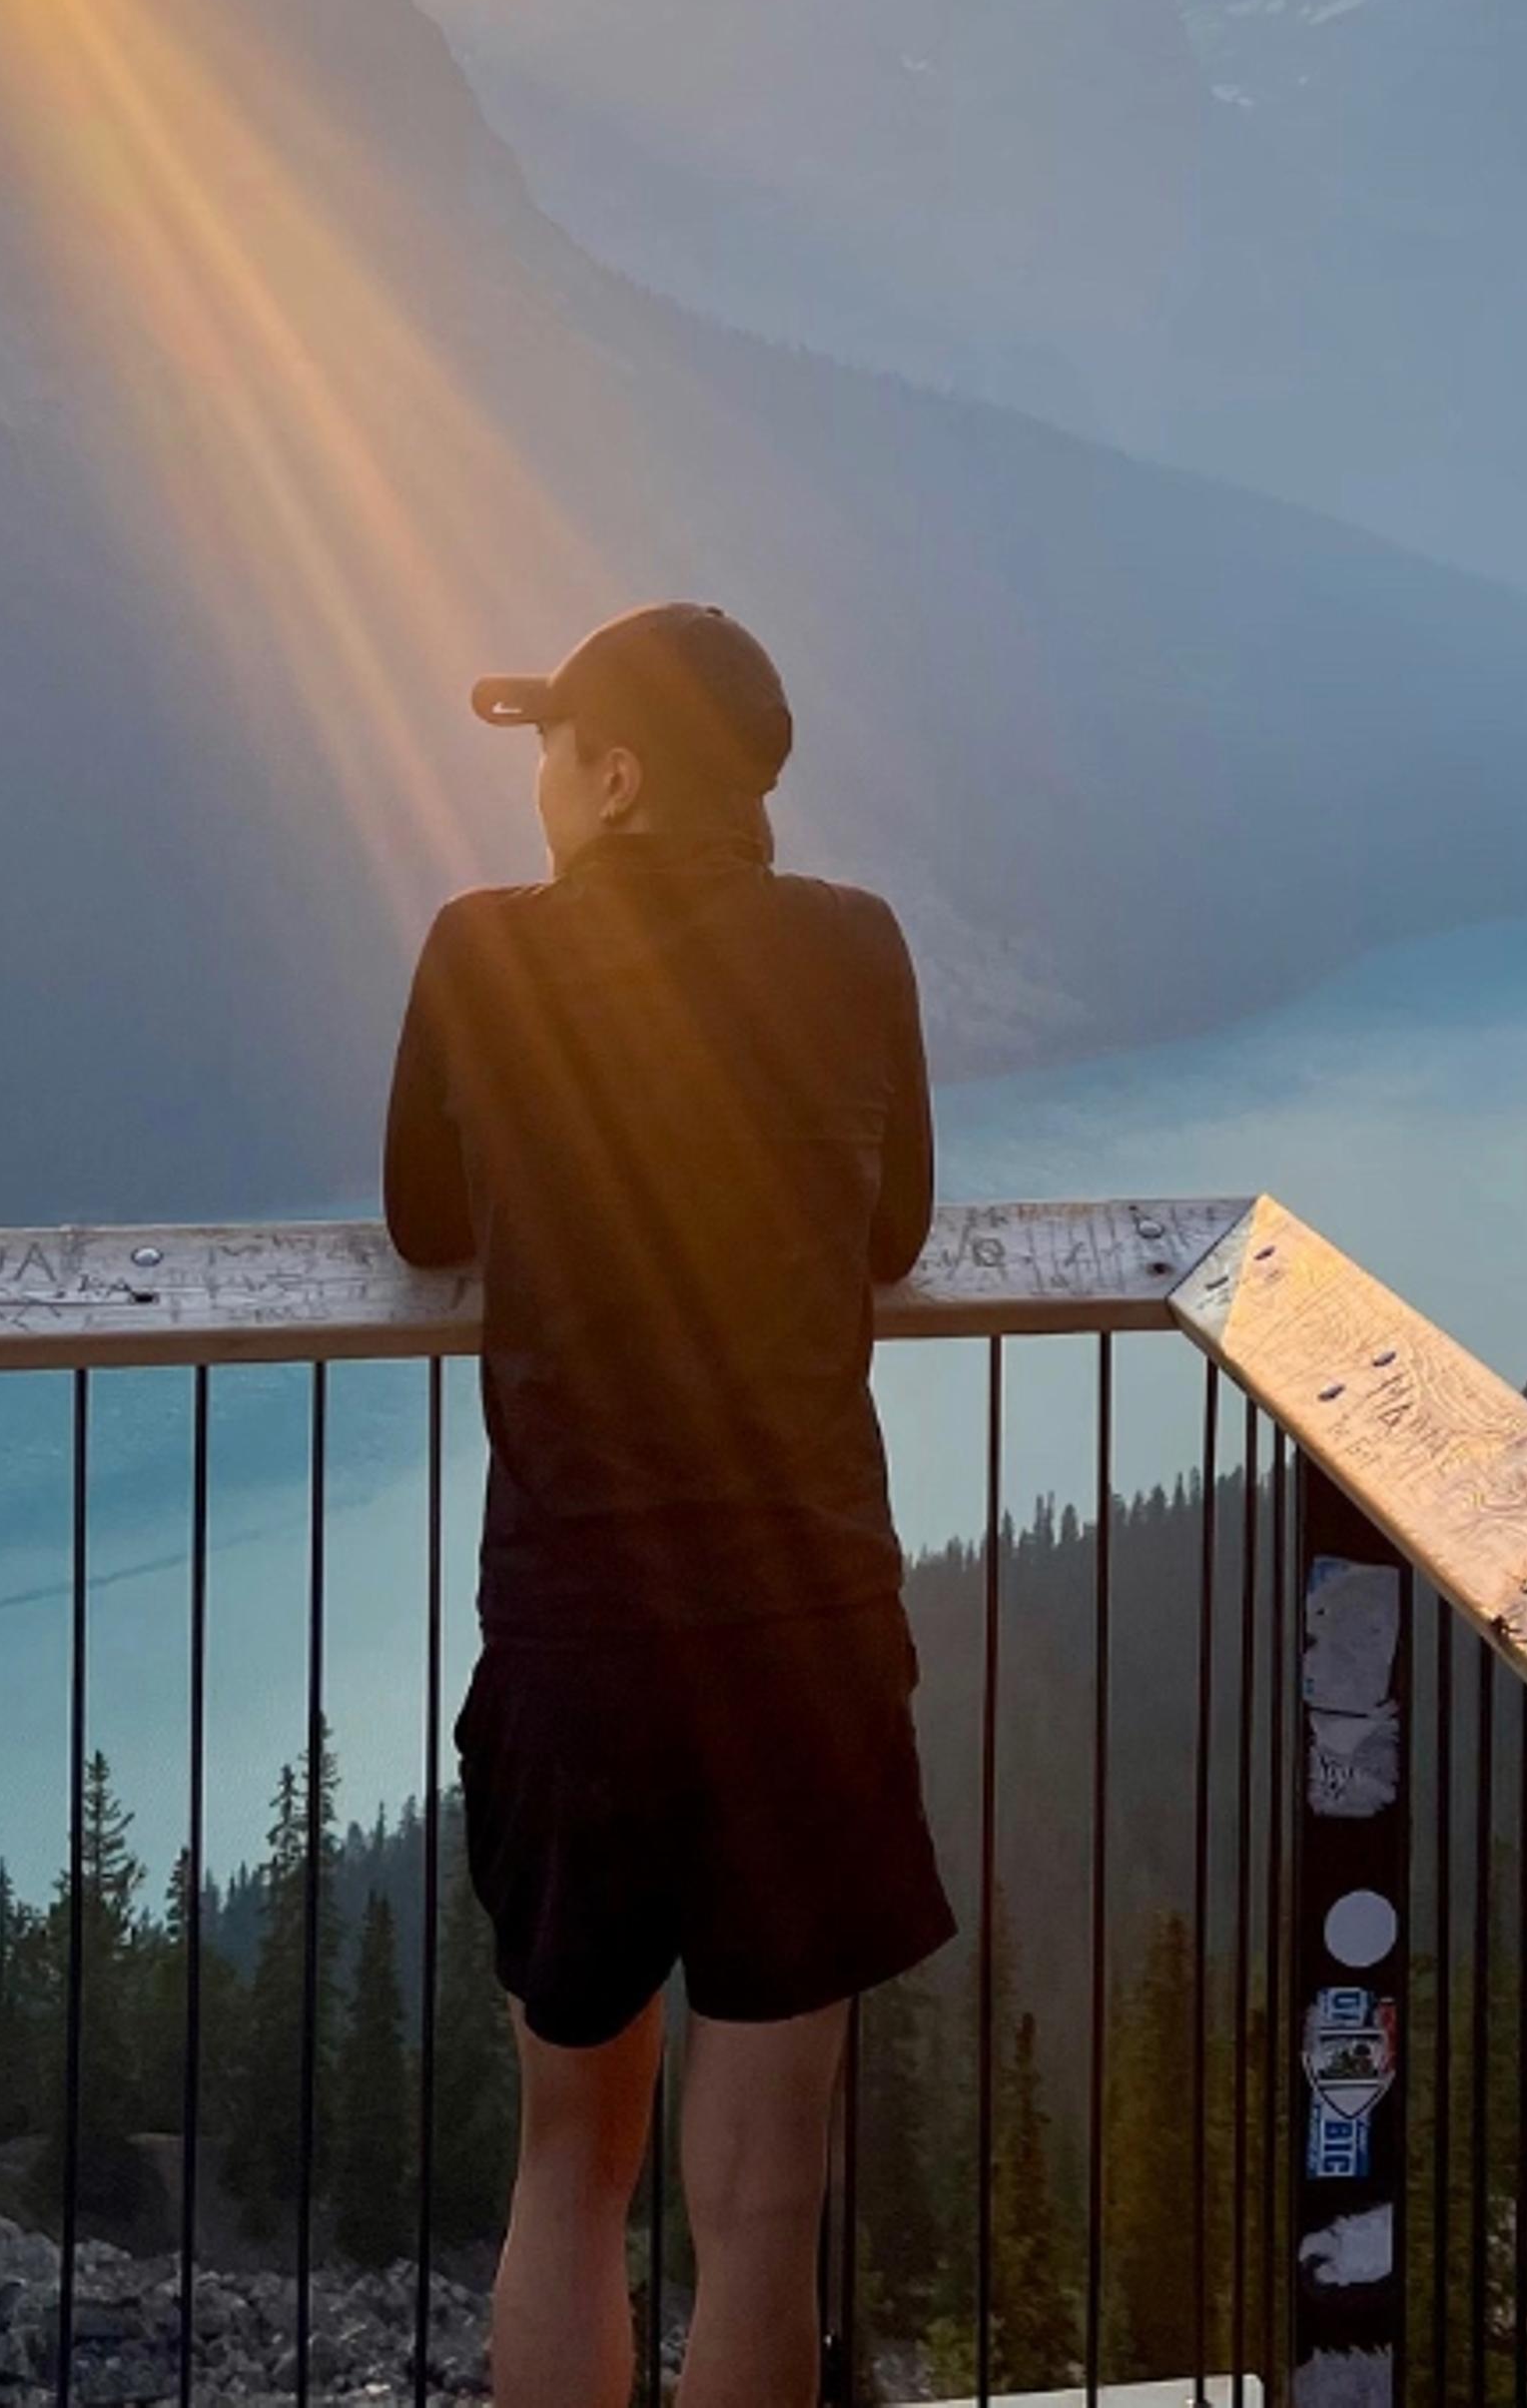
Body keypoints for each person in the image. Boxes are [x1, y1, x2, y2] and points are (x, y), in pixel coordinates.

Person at [383, 601, 953, 2408]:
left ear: (615, 776)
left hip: (579, 1633)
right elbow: (892, 1237)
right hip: (803, 1627)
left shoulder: (485, 954)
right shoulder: (856, 949)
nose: (541, 786)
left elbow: (421, 1227)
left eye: (554, 752)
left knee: (572, 2164)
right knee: (764, 2209)